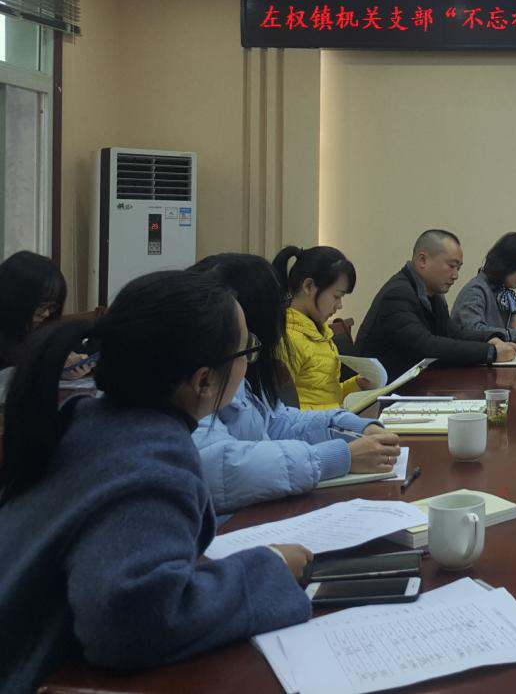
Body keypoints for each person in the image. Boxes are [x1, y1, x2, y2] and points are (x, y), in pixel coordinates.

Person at [0, 271, 311, 692]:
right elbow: (128, 621)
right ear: (204, 381)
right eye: (246, 351)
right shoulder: (149, 461)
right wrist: (268, 569)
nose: (248, 363)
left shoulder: (93, 423)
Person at [191, 254, 401, 514]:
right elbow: (222, 467)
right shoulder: (199, 382)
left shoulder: (239, 372)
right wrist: (340, 456)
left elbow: (277, 420)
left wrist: (349, 426)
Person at [356, 230, 516, 374]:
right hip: (381, 390)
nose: (455, 275)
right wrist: (490, 352)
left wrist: (491, 339)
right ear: (423, 260)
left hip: (417, 381)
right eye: (451, 266)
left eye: (458, 268)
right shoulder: (398, 294)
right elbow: (426, 346)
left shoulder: (432, 294)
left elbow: (454, 334)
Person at [273, 245, 367, 410]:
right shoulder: (288, 340)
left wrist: (357, 385)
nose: (339, 305)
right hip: (312, 425)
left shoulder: (320, 333)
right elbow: (282, 412)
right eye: (336, 296)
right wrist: (337, 415)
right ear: (308, 286)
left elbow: (323, 396)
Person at [452, 233, 516, 344]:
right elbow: (475, 331)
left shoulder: (501, 292)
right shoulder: (476, 290)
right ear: (505, 263)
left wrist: (515, 315)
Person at [0, 251, 69, 401]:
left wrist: (64, 367)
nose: (46, 314)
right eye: (42, 306)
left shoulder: (40, 331)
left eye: (52, 307)